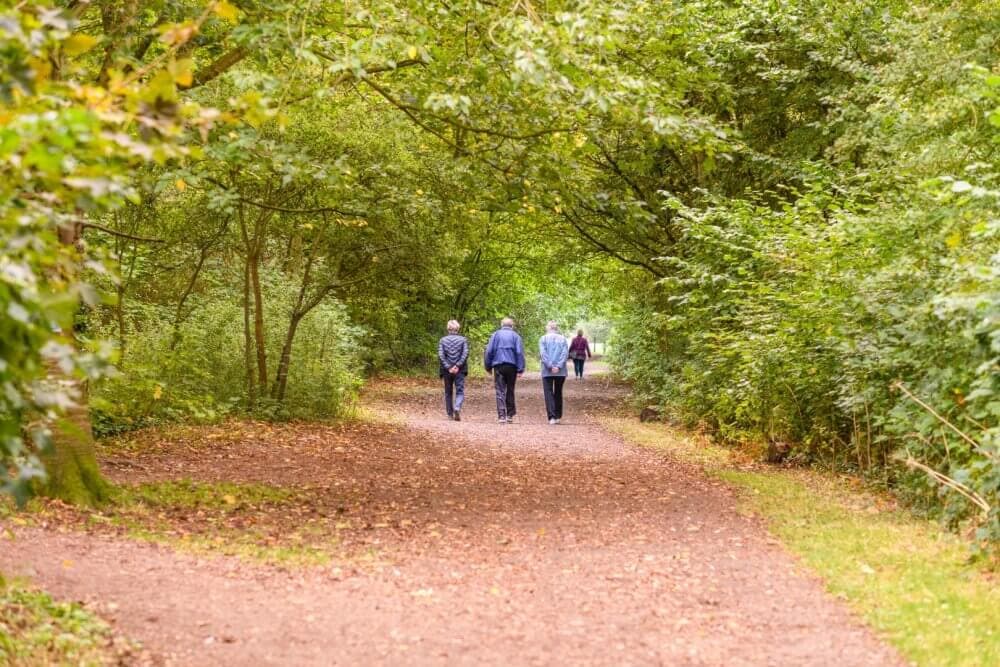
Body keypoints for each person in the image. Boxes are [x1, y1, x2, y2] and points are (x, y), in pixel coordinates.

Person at [483, 317, 525, 424]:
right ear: (512, 325)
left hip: (499, 365)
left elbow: (489, 351)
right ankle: (510, 415)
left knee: (500, 390)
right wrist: (520, 369)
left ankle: (501, 416)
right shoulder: (516, 336)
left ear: (502, 325)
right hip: (512, 366)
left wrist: (488, 366)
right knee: (510, 389)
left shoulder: (495, 335)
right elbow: (519, 353)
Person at [437, 320, 469, 421]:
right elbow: (465, 354)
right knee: (460, 391)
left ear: (448, 328)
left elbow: (441, 355)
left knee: (448, 392)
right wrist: (457, 365)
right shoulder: (463, 340)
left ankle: (450, 414)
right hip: (459, 370)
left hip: (447, 371)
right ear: (457, 328)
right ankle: (457, 407)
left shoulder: (443, 340)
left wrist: (448, 367)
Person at [539, 321, 569, 425]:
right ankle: (558, 416)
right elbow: (565, 354)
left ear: (548, 328)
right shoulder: (563, 339)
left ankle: (551, 417)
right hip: (561, 371)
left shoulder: (543, 339)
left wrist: (550, 366)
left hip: (547, 371)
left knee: (548, 393)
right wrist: (558, 366)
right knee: (558, 392)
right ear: (556, 328)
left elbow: (543, 354)